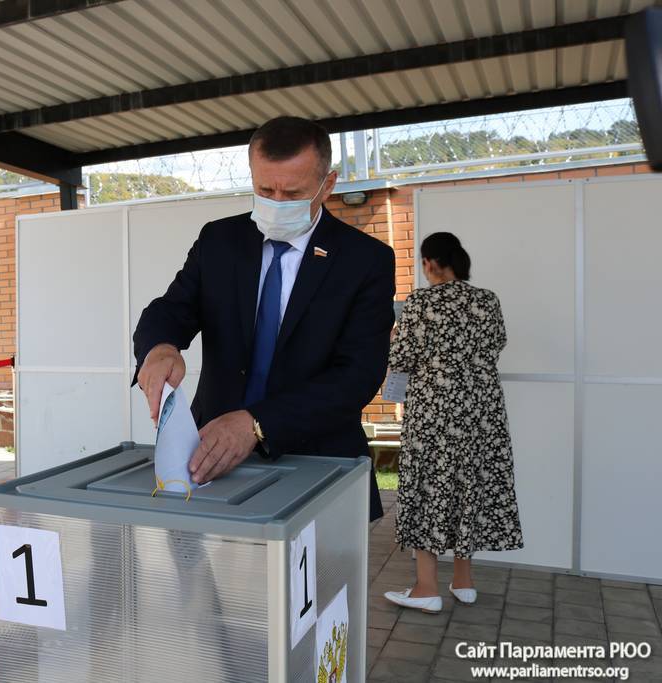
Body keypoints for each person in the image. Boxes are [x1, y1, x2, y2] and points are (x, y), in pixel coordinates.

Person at [133, 116, 395, 521]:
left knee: (313, 584)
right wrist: (160, 347)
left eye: (292, 193)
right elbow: (172, 309)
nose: (275, 202)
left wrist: (257, 424)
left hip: (317, 461)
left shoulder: (365, 260)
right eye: (264, 189)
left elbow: (357, 376)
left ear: (327, 185)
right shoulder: (220, 241)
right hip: (209, 460)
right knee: (210, 584)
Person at [383, 232, 523, 613]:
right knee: (470, 484)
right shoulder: (487, 300)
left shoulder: (421, 303)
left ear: (429, 262)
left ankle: (426, 587)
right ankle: (464, 581)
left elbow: (404, 357)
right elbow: (497, 344)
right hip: (481, 411)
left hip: (434, 410)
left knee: (429, 485)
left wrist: (397, 341)